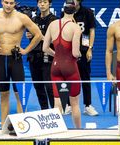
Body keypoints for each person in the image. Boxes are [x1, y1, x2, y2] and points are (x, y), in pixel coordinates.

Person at [0, 0, 42, 125]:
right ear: (2, 2)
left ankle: (22, 126)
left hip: (16, 59)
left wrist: (26, 50)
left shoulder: (22, 18)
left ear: (15, 4)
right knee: (3, 95)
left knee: (20, 95)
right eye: (6, 2)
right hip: (2, 59)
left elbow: (38, 35)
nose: (8, 5)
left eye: (11, 3)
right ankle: (4, 125)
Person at [43, 0, 82, 128]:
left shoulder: (52, 24)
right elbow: (75, 53)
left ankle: (56, 132)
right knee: (74, 103)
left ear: (63, 10)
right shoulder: (76, 27)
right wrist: (80, 55)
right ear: (75, 11)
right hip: (70, 67)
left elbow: (45, 48)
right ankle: (79, 131)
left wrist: (58, 56)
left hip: (55, 66)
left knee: (57, 102)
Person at [64, 0, 98, 116]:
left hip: (83, 51)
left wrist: (90, 48)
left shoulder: (87, 12)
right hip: (69, 51)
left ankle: (87, 106)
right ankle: (67, 105)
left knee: (85, 78)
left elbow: (92, 31)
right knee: (68, 78)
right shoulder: (66, 11)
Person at [26, 0, 57, 110]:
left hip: (48, 58)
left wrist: (40, 37)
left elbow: (56, 40)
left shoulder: (55, 21)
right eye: (40, 2)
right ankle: (44, 110)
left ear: (50, 4)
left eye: (45, 2)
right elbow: (31, 39)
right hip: (34, 58)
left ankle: (54, 112)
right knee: (38, 86)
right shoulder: (33, 20)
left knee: (49, 87)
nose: (42, 4)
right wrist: (29, 35)